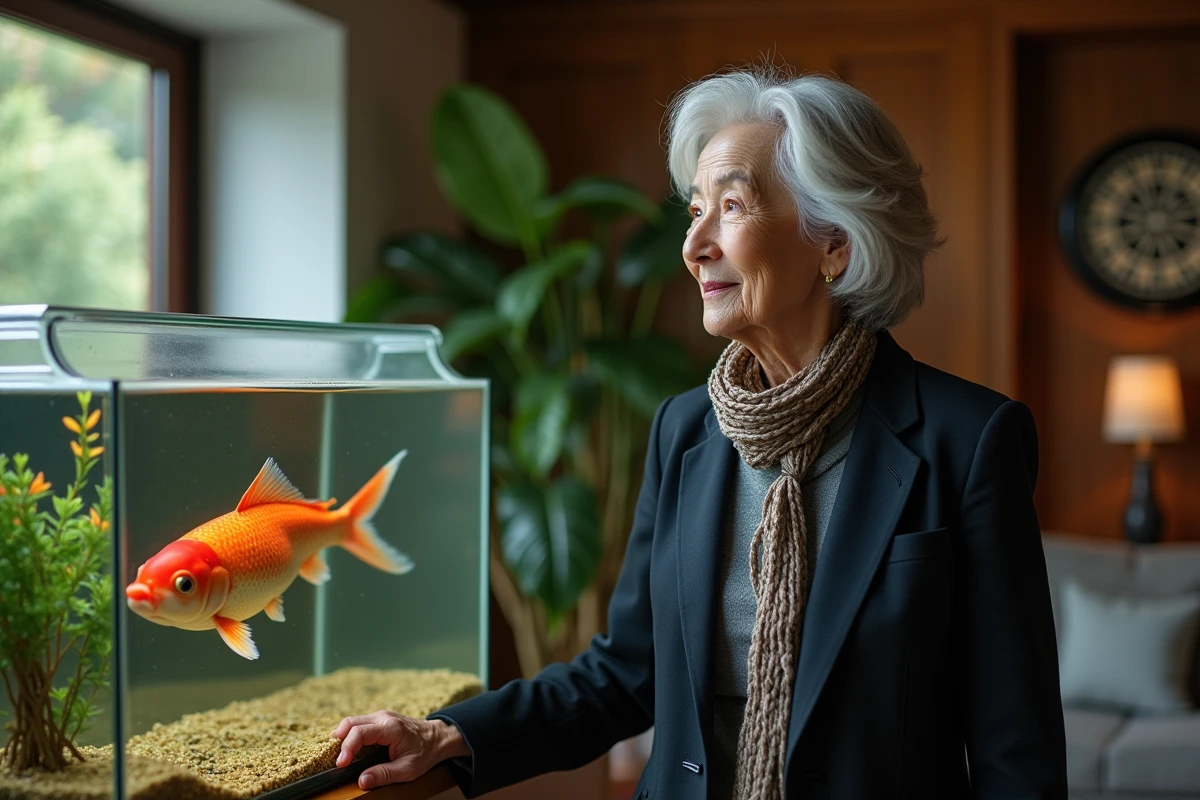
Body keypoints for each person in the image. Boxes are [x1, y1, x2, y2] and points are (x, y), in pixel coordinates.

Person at [332, 68, 1068, 799]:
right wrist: (452, 735)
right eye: (693, 212)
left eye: (733, 206)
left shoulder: (968, 441)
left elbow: (1016, 750)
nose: (695, 245)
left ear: (834, 243)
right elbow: (627, 670)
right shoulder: (685, 429)